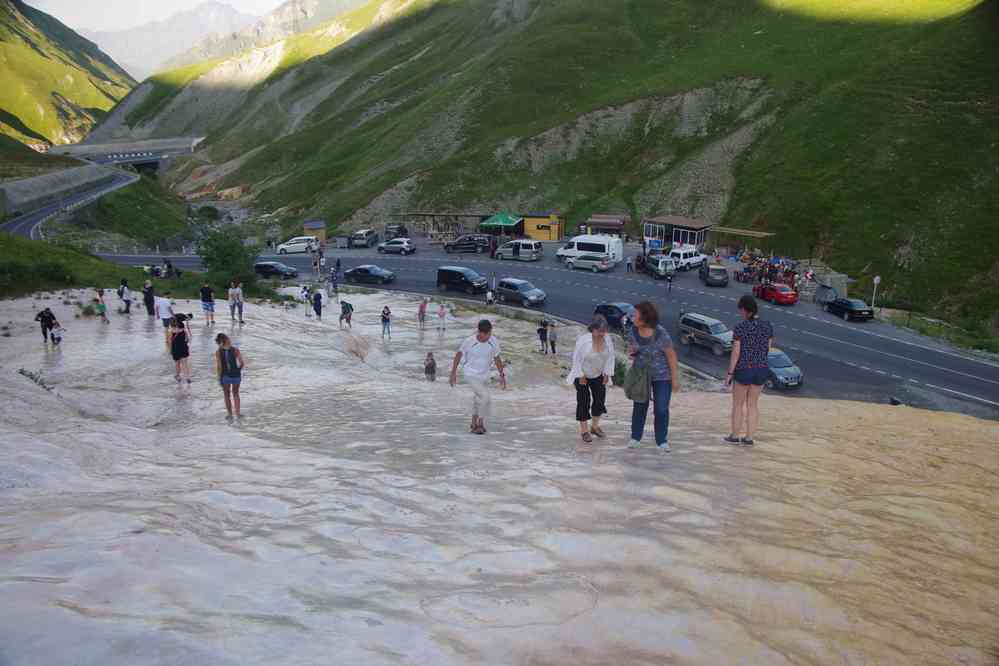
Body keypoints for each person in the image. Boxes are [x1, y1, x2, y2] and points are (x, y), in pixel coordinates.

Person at [627, 301, 680, 451]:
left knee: (661, 408)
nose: (632, 317)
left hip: (662, 376)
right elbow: (631, 349)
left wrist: (675, 379)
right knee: (639, 406)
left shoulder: (661, 333)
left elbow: (671, 356)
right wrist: (632, 353)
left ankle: (661, 440)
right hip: (641, 375)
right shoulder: (633, 331)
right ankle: (635, 437)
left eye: (635, 315)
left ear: (644, 317)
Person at [725, 294, 773, 447]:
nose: (740, 313)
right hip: (761, 369)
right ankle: (749, 438)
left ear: (745, 310)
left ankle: (734, 436)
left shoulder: (740, 327)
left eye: (741, 310)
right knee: (753, 405)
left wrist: (730, 374)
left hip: (744, 369)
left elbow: (736, 352)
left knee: (738, 405)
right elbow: (768, 349)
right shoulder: (767, 326)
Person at [449, 319, 506, 435]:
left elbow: (497, 358)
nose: (489, 336)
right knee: (485, 397)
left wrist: (502, 375)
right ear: (480, 332)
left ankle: (473, 423)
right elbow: (458, 355)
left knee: (478, 399)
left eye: (490, 333)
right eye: (487, 334)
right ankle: (480, 423)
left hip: (485, 374)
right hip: (470, 374)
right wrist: (453, 372)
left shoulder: (493, 341)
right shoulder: (469, 341)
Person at [568, 315, 616, 443]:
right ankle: (584, 431)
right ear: (593, 329)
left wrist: (607, 373)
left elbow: (610, 357)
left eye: (604, 330)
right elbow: (576, 359)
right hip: (582, 374)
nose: (602, 333)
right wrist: (580, 375)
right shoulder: (583, 341)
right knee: (584, 401)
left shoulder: (607, 339)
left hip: (598, 373)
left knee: (600, 400)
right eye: (600, 331)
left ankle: (594, 427)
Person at [215, 333, 244, 422]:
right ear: (227, 340)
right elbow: (242, 363)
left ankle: (230, 414)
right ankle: (238, 414)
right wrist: (238, 370)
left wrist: (219, 378)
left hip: (225, 376)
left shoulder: (218, 352)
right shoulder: (236, 350)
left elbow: (219, 367)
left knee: (226, 395)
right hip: (236, 375)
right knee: (236, 394)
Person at [169, 314, 192, 384]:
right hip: (183, 347)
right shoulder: (183, 330)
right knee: (185, 363)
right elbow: (187, 339)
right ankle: (188, 377)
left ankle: (178, 376)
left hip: (175, 349)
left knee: (177, 363)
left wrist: (170, 350)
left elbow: (169, 341)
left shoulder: (171, 331)